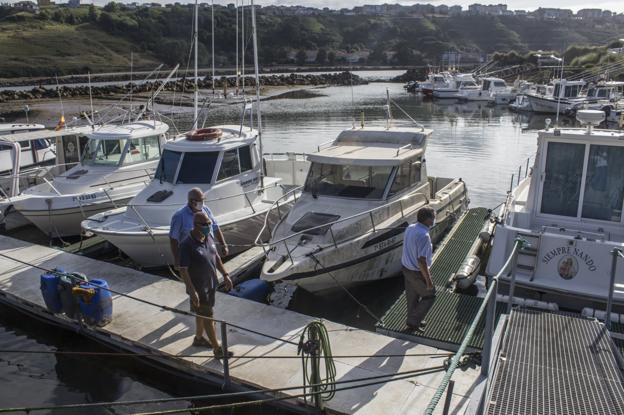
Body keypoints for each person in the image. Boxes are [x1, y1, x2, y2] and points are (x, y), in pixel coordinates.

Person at [178, 211, 234, 358]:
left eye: (209, 223)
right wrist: (192, 291)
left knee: (201, 314)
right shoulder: (186, 244)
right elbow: (183, 270)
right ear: (195, 225)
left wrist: (225, 275)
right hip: (199, 289)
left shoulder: (208, 237)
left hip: (211, 284)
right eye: (204, 224)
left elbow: (215, 257)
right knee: (209, 317)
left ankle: (198, 339)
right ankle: (218, 350)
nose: (208, 226)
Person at [170, 187, 228, 267]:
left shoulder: (206, 209)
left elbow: (215, 227)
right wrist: (177, 259)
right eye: (200, 200)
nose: (202, 202)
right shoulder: (179, 216)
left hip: (209, 248)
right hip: (191, 254)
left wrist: (223, 245)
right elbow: (173, 239)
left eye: (203, 200)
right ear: (191, 201)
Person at [401, 206, 436, 333]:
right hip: (416, 272)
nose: (434, 219)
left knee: (412, 297)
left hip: (406, 268)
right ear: (428, 220)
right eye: (433, 217)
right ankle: (414, 321)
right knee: (430, 295)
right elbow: (422, 261)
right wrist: (429, 281)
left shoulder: (410, 228)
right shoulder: (424, 236)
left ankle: (413, 321)